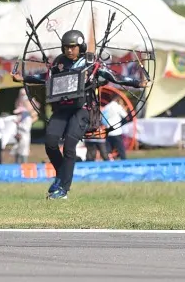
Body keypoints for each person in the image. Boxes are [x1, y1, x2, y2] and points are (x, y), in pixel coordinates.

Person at [21, 28, 143, 200]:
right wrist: (24, 78)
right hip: (62, 109)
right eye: (66, 47)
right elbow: (46, 78)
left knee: (70, 145)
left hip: (82, 110)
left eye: (73, 47)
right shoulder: (59, 63)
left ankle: (63, 188)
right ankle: (61, 174)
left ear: (81, 47)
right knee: (50, 143)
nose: (69, 50)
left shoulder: (91, 63)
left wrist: (137, 82)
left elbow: (114, 76)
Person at [10, 89, 33, 164]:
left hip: (24, 136)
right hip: (18, 136)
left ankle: (24, 167)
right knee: (17, 151)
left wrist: (18, 124)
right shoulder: (19, 113)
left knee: (24, 152)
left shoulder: (27, 116)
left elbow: (26, 128)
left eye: (24, 95)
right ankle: (17, 166)